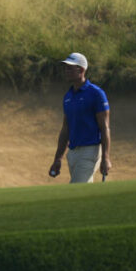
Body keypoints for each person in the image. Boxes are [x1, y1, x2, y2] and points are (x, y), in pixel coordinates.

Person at [48, 52, 111, 183]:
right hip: (72, 153)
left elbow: (104, 128)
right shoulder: (68, 96)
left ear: (81, 70)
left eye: (70, 68)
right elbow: (66, 129)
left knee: (76, 189)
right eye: (66, 67)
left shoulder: (96, 94)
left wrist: (106, 157)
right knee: (85, 194)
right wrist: (58, 158)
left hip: (90, 151)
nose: (66, 70)